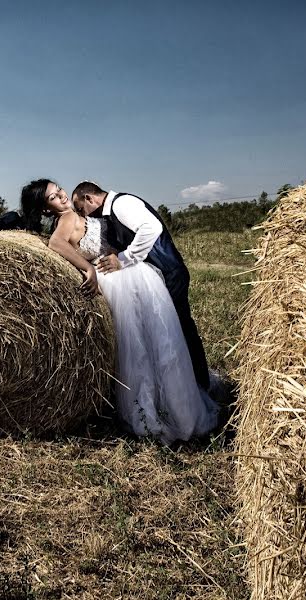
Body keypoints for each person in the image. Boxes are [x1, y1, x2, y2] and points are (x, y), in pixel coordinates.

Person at [20, 179, 219, 444]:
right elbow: (56, 244)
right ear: (46, 209)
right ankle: (163, 409)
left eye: (59, 190)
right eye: (53, 197)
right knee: (143, 346)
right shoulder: (66, 219)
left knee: (156, 340)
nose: (61, 196)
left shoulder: (81, 213)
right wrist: (87, 268)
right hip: (118, 279)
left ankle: (173, 404)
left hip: (129, 273)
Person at [70, 181, 210, 391]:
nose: (84, 215)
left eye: (81, 208)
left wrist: (124, 258)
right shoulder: (111, 211)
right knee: (165, 334)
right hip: (158, 278)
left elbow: (151, 228)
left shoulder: (122, 204)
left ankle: (200, 384)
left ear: (90, 198)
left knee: (180, 329)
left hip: (169, 273)